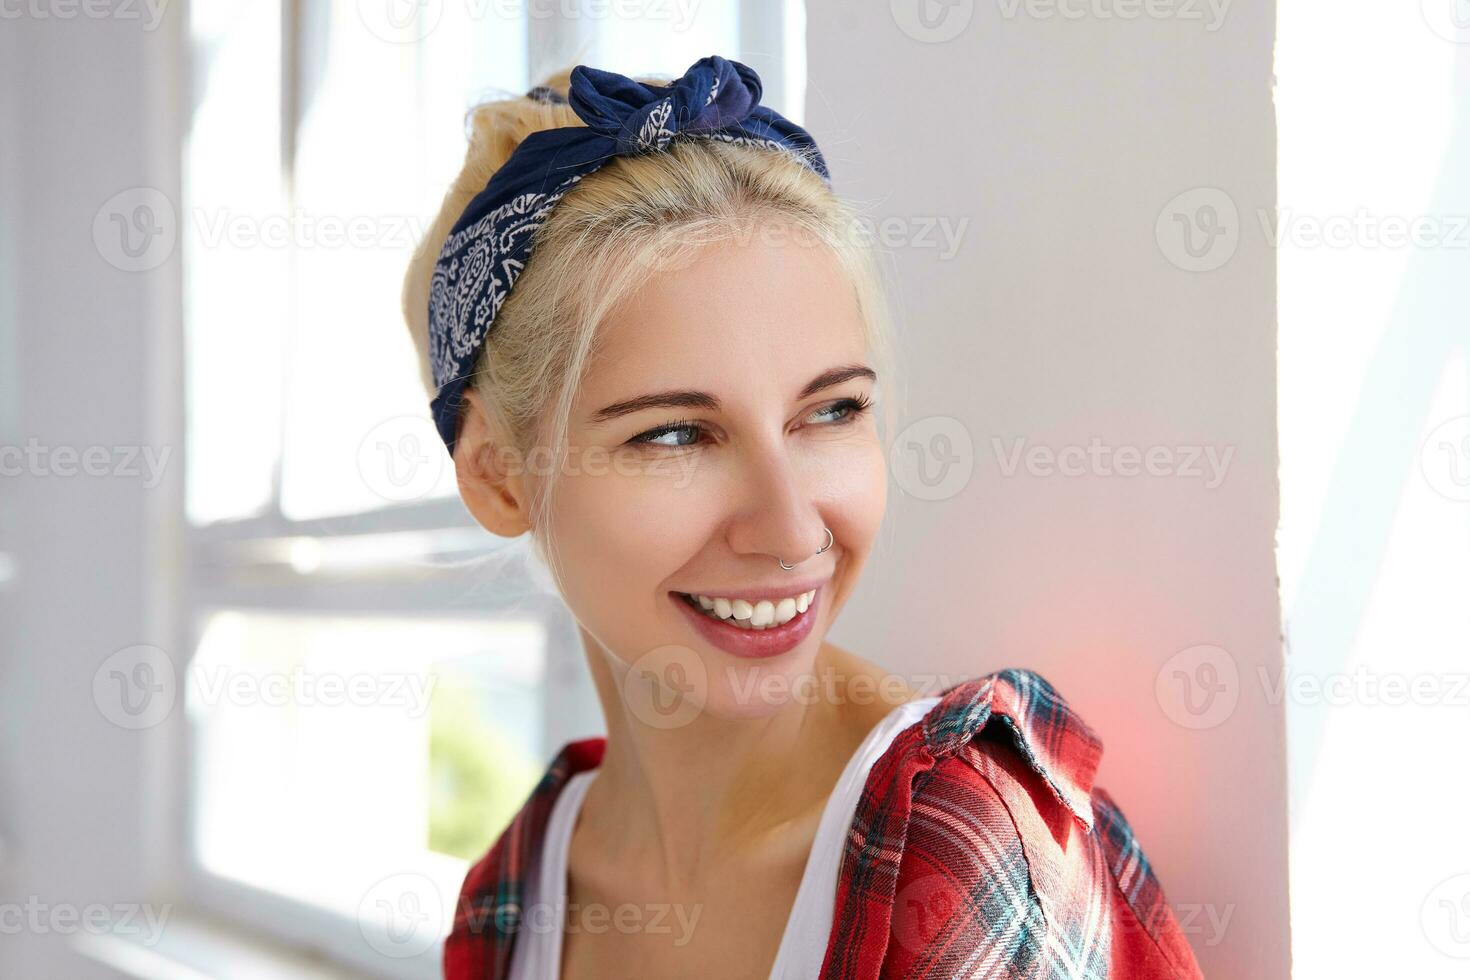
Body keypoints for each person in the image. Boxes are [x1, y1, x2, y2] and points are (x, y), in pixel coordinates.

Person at [401, 55, 1205, 980]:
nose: (791, 533)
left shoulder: (959, 844)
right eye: (674, 435)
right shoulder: (513, 896)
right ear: (501, 479)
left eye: (832, 411)